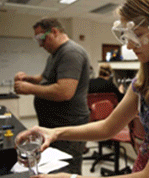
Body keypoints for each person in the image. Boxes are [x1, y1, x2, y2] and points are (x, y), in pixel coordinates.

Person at [16, 0, 149, 178]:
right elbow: (107, 127)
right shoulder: (147, 78)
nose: (129, 45)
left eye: (137, 35)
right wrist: (54, 133)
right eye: (126, 36)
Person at [14, 18, 91, 175]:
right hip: (54, 124)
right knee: (54, 167)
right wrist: (28, 79)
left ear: (54, 32)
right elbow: (43, 79)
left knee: (67, 169)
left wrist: (30, 89)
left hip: (68, 123)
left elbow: (64, 92)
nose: (40, 44)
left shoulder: (70, 52)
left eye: (41, 38)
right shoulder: (54, 55)